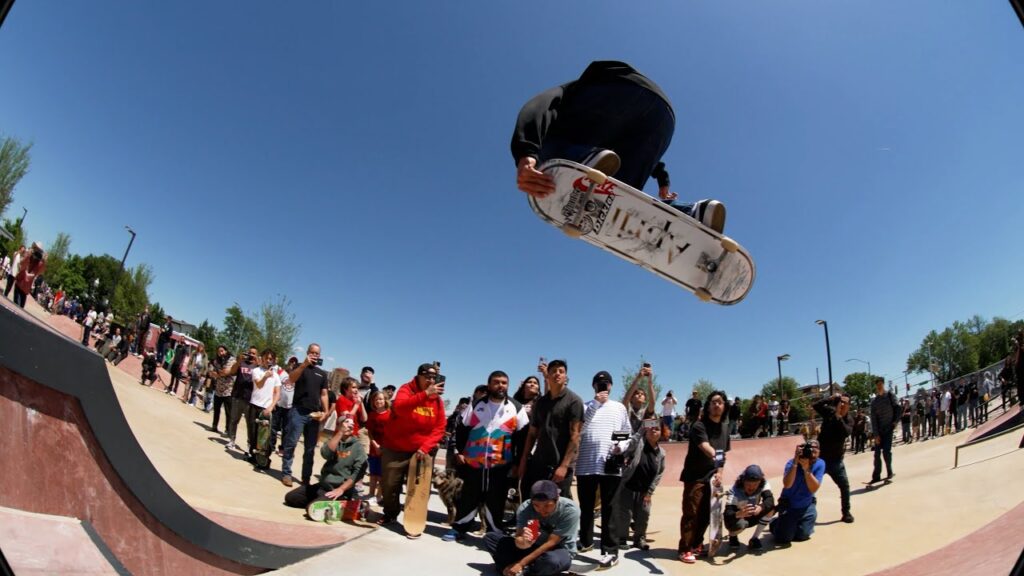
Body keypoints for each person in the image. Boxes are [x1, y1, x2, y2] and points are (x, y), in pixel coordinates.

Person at [511, 61, 727, 233]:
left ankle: (584, 162)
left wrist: (526, 154)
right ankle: (694, 213)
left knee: (546, 150)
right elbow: (653, 159)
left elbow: (538, 106)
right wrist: (663, 183)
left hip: (617, 92)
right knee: (622, 198)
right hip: (663, 118)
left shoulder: (568, 90)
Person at [444, 370, 530, 541]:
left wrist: (518, 462)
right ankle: (459, 528)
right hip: (473, 462)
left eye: (504, 382)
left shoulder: (516, 408)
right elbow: (461, 428)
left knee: (496, 500)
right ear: (489, 384)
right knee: (469, 496)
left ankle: (494, 532)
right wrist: (459, 451)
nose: (500, 385)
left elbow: (523, 437)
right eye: (496, 382)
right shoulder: (476, 405)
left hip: (500, 464)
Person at [377, 363, 448, 530]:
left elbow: (440, 427)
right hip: (395, 448)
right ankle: (390, 514)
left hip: (420, 452)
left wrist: (425, 448)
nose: (431, 380)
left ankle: (413, 518)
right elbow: (399, 408)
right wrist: (424, 395)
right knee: (389, 484)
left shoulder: (437, 400)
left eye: (433, 378)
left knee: (419, 488)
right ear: (419, 376)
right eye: (428, 377)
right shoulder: (406, 389)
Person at [574, 371, 631, 568]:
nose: (603, 387)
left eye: (606, 383)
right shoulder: (585, 407)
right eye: (599, 384)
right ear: (593, 387)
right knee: (586, 507)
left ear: (611, 386)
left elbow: (627, 434)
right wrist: (596, 404)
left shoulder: (620, 408)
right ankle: (586, 541)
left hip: (610, 465)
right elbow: (580, 429)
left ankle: (610, 550)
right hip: (585, 464)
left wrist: (620, 448)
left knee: (610, 509)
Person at [517, 359, 585, 499]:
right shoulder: (540, 402)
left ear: (566, 376)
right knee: (536, 502)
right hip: (539, 463)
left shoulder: (574, 401)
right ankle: (534, 522)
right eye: (553, 371)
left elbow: (575, 436)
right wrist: (524, 460)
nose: (557, 374)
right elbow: (532, 433)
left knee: (557, 506)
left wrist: (564, 466)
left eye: (561, 371)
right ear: (547, 375)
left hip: (560, 466)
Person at [484, 480, 580, 576]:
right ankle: (528, 570)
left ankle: (518, 569)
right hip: (532, 547)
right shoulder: (525, 508)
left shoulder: (570, 510)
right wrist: (524, 543)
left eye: (547, 505)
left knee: (551, 561)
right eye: (536, 505)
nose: (542, 510)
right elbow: (519, 537)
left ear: (557, 498)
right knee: (490, 538)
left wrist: (521, 563)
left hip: (558, 550)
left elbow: (551, 543)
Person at [678, 390, 730, 564]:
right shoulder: (699, 426)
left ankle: (696, 543)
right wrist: (717, 458)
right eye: (713, 402)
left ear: (724, 406)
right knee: (691, 513)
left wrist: (720, 473)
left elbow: (723, 454)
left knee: (708, 515)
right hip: (695, 476)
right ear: (708, 406)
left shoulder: (724, 428)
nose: (717, 405)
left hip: (712, 477)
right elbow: (706, 447)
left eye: (720, 402)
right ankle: (685, 548)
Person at [284, 416, 367, 512]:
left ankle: (345, 504)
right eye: (346, 422)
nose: (349, 425)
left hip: (338, 491)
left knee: (313, 509)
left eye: (352, 423)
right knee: (291, 498)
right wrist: (340, 433)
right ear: (338, 426)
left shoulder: (358, 448)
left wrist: (341, 489)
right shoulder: (333, 441)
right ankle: (322, 504)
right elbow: (326, 454)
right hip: (322, 486)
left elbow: (358, 472)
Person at [280, 343, 330, 489]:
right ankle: (286, 474)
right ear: (307, 353)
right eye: (312, 352)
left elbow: (324, 394)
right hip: (298, 411)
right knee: (291, 443)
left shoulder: (322, 374)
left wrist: (326, 412)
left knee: (309, 449)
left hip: (314, 415)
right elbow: (291, 379)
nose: (314, 355)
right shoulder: (300, 367)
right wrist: (303, 366)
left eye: (317, 353)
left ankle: (306, 477)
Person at [614, 418, 665, 551]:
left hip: (644, 490)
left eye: (657, 429)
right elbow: (629, 446)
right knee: (625, 514)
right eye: (651, 428)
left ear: (661, 433)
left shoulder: (662, 453)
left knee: (644, 514)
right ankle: (622, 538)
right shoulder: (638, 444)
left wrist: (649, 491)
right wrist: (641, 430)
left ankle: (639, 539)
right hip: (628, 485)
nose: (654, 430)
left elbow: (659, 473)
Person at [770, 440, 825, 545]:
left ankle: (795, 524)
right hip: (789, 505)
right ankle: (775, 523)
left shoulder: (820, 463)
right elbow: (787, 485)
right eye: (809, 450)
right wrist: (796, 463)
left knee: (802, 535)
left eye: (815, 450)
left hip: (807, 505)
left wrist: (806, 469)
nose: (811, 454)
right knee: (784, 539)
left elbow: (814, 489)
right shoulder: (791, 463)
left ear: (819, 452)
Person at [813, 393, 854, 523]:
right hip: (820, 459)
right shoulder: (829, 413)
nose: (842, 405)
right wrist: (830, 398)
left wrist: (838, 416)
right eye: (840, 402)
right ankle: (806, 510)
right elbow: (816, 405)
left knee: (844, 486)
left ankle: (846, 512)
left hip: (836, 460)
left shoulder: (848, 420)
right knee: (809, 484)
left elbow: (846, 432)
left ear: (849, 406)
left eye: (845, 403)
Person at [218, 346, 259, 453]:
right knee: (233, 420)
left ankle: (250, 444)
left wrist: (257, 362)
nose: (251, 355)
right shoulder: (241, 363)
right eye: (249, 352)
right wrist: (239, 360)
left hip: (250, 399)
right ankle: (232, 440)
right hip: (237, 396)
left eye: (253, 353)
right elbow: (232, 371)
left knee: (250, 424)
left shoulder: (257, 367)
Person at [724, 464, 775, 550]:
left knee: (770, 509)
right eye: (748, 484)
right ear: (743, 481)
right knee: (741, 524)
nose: (751, 488)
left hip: (753, 514)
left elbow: (770, 500)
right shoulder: (734, 491)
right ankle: (733, 536)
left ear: (760, 482)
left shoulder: (764, 484)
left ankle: (754, 539)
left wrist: (761, 507)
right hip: (738, 519)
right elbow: (727, 515)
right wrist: (739, 514)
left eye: (755, 484)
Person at [248, 349, 282, 469]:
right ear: (261, 358)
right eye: (266, 358)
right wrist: (265, 376)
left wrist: (271, 407)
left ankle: (263, 459)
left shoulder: (276, 376)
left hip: (266, 408)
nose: (268, 361)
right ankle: (253, 454)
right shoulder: (256, 371)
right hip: (254, 405)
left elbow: (278, 393)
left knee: (265, 436)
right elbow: (259, 384)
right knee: (253, 433)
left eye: (270, 359)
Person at [869, 377, 900, 484]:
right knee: (877, 454)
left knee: (886, 452)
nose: (879, 386)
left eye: (881, 384)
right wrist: (876, 434)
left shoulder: (890, 396)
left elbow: (898, 408)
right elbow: (873, 419)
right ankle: (876, 476)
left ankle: (889, 471)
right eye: (877, 385)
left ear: (883, 384)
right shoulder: (874, 402)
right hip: (879, 431)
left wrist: (895, 421)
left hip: (888, 429)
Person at [364, 389, 390, 504]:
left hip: (386, 449)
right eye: (376, 399)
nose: (378, 401)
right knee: (373, 473)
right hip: (374, 448)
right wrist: (375, 445)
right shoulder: (372, 414)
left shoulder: (390, 414)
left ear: (385, 400)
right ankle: (371, 493)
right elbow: (369, 432)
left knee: (381, 475)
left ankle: (379, 496)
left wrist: (383, 447)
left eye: (380, 399)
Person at [623, 364, 656, 433]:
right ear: (631, 399)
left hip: (642, 442)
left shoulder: (645, 411)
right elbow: (626, 399)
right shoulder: (628, 409)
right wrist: (638, 378)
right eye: (637, 393)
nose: (640, 394)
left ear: (645, 400)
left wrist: (650, 381)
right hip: (628, 442)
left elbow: (652, 402)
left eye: (643, 394)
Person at [13, 243, 46, 308]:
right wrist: (28, 254)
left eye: (38, 251)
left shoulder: (38, 264)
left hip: (25, 289)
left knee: (19, 309)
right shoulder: (28, 256)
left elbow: (40, 271)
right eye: (35, 249)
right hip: (19, 284)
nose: (36, 252)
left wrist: (43, 261)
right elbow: (21, 263)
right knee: (16, 306)